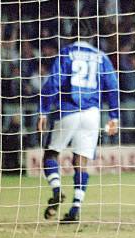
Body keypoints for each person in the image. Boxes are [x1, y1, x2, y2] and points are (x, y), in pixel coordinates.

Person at [37, 22, 119, 223]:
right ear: (91, 37)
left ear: (71, 36)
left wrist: (43, 111)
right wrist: (114, 116)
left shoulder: (67, 52)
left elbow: (54, 82)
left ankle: (57, 190)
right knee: (81, 162)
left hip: (68, 110)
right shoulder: (101, 57)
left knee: (51, 153)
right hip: (92, 114)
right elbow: (113, 87)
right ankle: (75, 208)